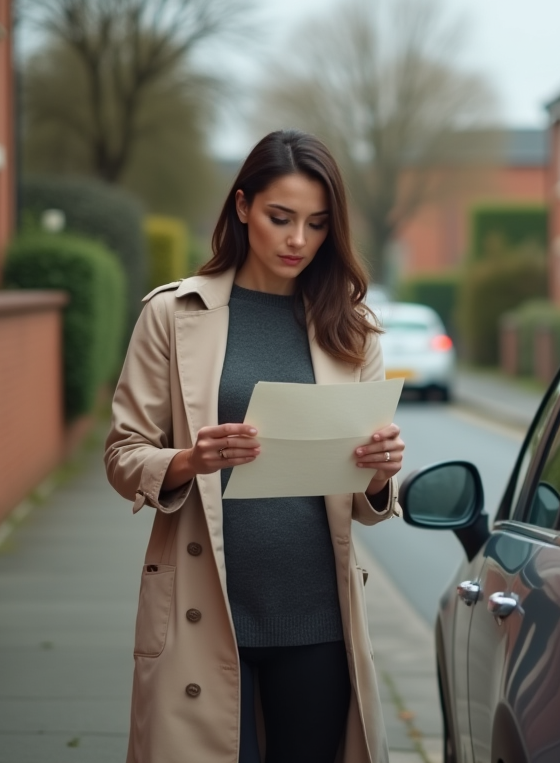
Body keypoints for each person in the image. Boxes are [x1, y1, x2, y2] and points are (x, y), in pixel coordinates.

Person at [104, 129, 405, 763]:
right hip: (203, 612)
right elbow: (123, 454)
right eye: (280, 218)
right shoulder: (172, 314)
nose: (299, 240)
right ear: (242, 208)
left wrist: (379, 474)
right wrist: (191, 460)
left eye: (318, 224)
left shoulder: (353, 328)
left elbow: (360, 496)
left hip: (320, 619)